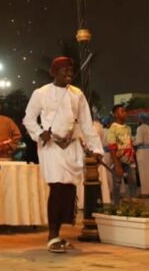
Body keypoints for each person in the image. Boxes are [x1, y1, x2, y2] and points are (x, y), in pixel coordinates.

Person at [23, 56, 103, 253]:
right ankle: (52, 236)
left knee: (67, 190)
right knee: (57, 187)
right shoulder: (41, 93)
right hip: (51, 147)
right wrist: (39, 133)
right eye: (64, 70)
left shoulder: (78, 94)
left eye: (70, 70)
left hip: (72, 147)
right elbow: (28, 119)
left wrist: (97, 149)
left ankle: (58, 235)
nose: (68, 73)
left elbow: (86, 123)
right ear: (54, 72)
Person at [106, 104, 136, 201]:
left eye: (125, 111)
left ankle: (132, 202)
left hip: (129, 160)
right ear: (115, 114)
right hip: (118, 160)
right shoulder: (113, 128)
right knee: (117, 183)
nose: (125, 114)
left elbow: (130, 143)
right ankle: (116, 206)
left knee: (132, 180)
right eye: (122, 111)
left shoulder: (128, 128)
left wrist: (132, 157)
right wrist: (117, 164)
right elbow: (112, 147)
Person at [133, 112, 149, 197]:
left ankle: (144, 192)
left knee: (143, 172)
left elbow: (139, 141)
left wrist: (133, 142)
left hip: (142, 151)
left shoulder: (140, 128)